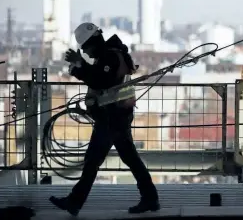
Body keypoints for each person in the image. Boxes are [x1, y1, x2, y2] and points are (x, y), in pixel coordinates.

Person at [49, 23, 160, 216]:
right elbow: (99, 78)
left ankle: (75, 202)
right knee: (123, 159)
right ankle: (150, 198)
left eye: (85, 49)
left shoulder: (110, 57)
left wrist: (79, 66)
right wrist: (80, 66)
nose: (86, 53)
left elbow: (100, 81)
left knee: (97, 161)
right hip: (114, 116)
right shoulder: (110, 55)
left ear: (93, 43)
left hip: (112, 118)